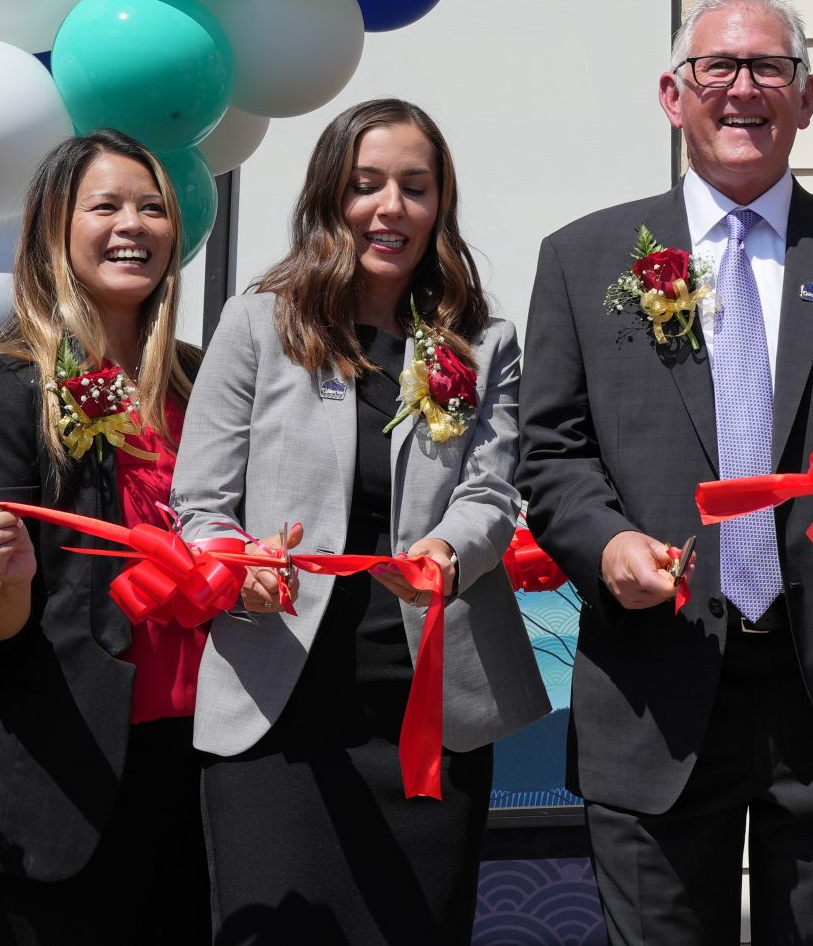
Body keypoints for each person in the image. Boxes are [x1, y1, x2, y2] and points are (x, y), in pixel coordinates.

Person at [516, 0, 813, 946]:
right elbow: (550, 450)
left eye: (770, 67)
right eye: (718, 65)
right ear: (673, 95)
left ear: (808, 97)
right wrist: (608, 544)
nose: (743, 87)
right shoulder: (583, 258)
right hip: (656, 685)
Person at [174, 99, 548, 946]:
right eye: (366, 183)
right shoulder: (257, 322)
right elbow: (201, 505)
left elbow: (492, 492)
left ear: (440, 203)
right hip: (277, 701)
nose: (390, 207)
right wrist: (238, 564)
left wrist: (449, 549)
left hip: (423, 708)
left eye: (415, 186)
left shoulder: (485, 340)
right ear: (329, 196)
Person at [0, 130, 207, 943]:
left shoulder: (204, 380)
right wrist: (8, 573)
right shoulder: (3, 385)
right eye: (106, 205)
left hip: (206, 770)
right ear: (53, 227)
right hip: (65, 779)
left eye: (152, 207)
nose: (134, 225)